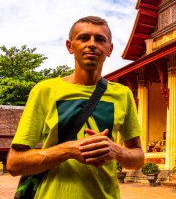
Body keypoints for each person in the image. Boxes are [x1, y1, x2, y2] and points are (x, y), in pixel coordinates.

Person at [7, 16, 144, 199]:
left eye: (100, 39)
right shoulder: (45, 90)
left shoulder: (123, 94)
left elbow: (138, 159)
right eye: (83, 38)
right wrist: (68, 150)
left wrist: (116, 150)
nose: (92, 44)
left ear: (109, 49)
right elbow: (14, 163)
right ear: (70, 46)